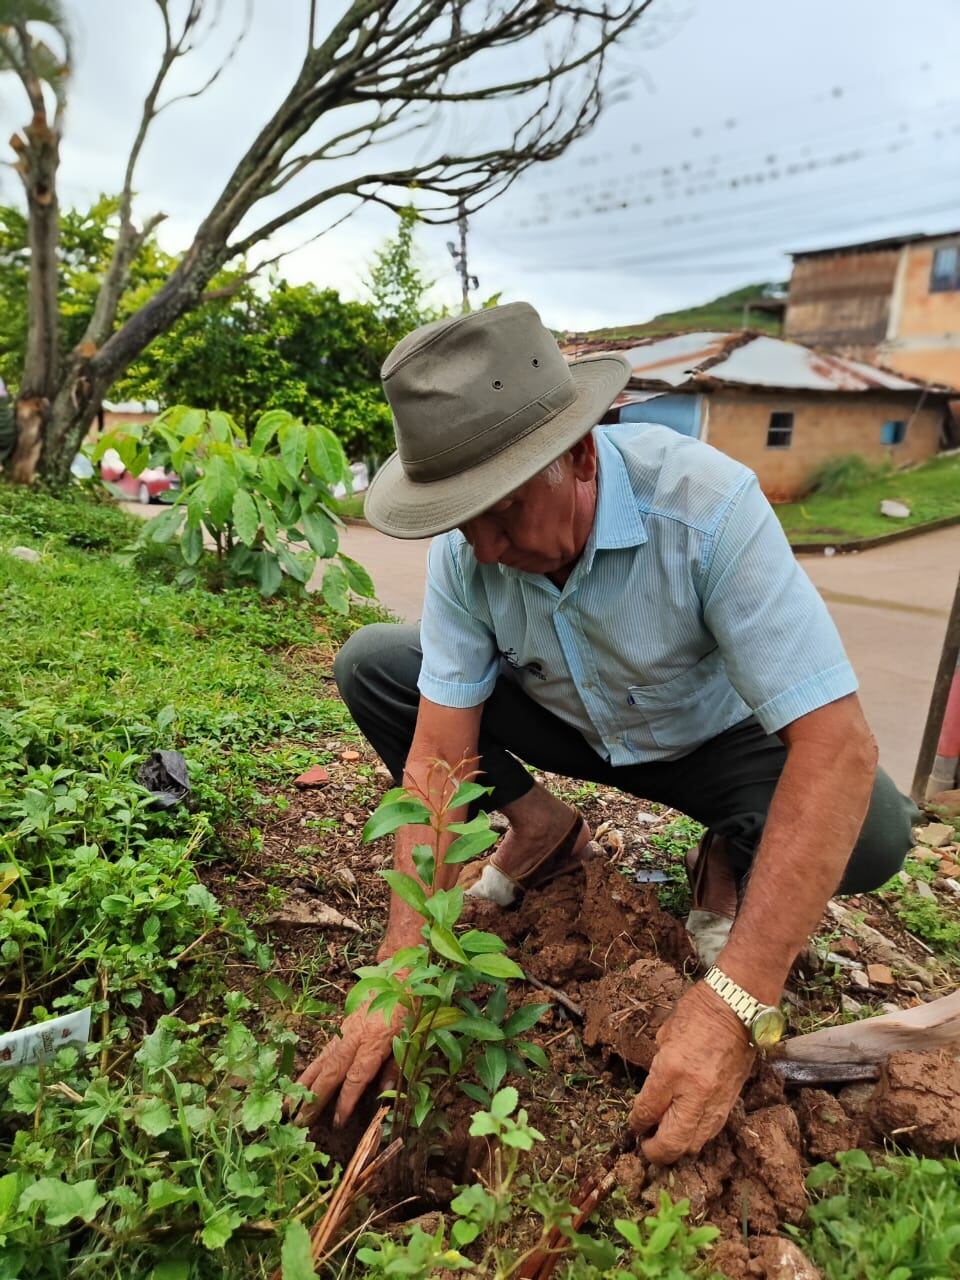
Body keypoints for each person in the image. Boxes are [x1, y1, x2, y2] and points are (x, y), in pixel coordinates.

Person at [298, 302, 917, 1164]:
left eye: (504, 511)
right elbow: (438, 756)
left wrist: (737, 1000)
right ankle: (544, 827)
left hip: (712, 742)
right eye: (460, 520)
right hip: (571, 723)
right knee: (377, 665)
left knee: (875, 836)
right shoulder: (471, 557)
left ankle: (729, 854)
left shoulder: (706, 511)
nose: (484, 547)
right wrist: (400, 963)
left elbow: (838, 746)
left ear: (581, 456)